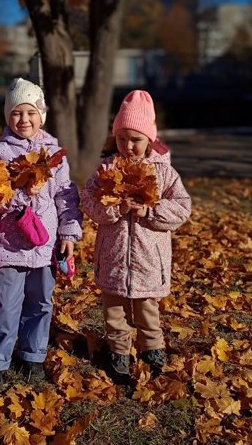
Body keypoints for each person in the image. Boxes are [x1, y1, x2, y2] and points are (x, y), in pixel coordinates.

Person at [0, 78, 83, 391]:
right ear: (7, 117)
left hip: (45, 245)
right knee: (5, 304)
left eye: (30, 112)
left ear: (42, 114)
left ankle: (33, 354)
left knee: (40, 303)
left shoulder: (54, 153)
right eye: (16, 113)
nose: (23, 119)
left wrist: (68, 232)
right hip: (9, 244)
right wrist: (23, 193)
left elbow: (66, 194)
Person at [81, 90, 191, 378]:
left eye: (136, 139)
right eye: (121, 138)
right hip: (113, 255)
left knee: (147, 310)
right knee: (113, 310)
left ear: (150, 139)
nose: (128, 145)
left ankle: (151, 349)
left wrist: (150, 211)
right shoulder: (106, 169)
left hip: (149, 259)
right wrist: (115, 209)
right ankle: (118, 351)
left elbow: (182, 207)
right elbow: (89, 200)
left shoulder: (164, 173)